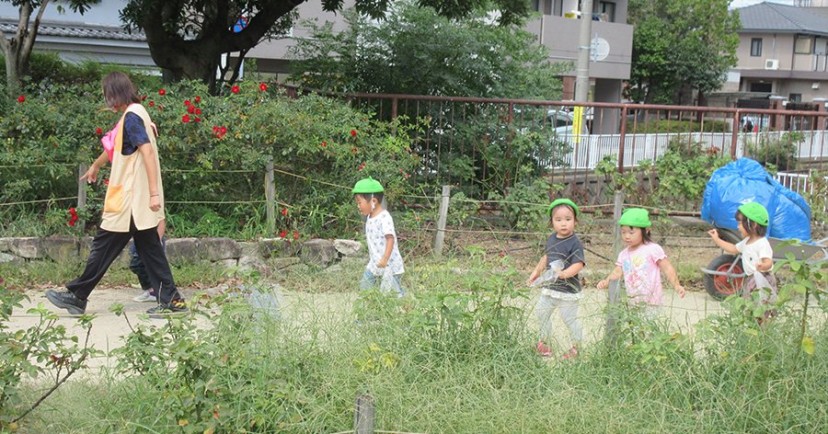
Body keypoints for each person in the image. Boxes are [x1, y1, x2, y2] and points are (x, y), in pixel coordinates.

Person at [45, 71, 186, 318]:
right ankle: (172, 301)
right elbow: (116, 147)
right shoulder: (137, 114)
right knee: (151, 251)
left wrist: (153, 194)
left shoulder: (132, 117)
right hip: (136, 201)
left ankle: (77, 296)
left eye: (106, 96)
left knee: (103, 246)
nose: (106, 102)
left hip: (129, 201)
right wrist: (96, 165)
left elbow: (147, 153)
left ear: (114, 95)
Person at [100, 116, 167, 303]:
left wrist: (158, 237)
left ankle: (163, 294)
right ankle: (156, 291)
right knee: (137, 263)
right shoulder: (127, 136)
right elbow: (110, 148)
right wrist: (96, 165)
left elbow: (160, 216)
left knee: (150, 262)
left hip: (150, 229)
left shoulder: (148, 172)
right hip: (137, 224)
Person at [597, 208, 686, 316]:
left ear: (646, 230)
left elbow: (667, 268)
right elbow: (617, 272)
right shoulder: (623, 254)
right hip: (633, 304)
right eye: (623, 232)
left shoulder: (653, 249)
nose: (627, 236)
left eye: (631, 232)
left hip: (651, 304)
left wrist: (677, 285)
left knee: (650, 331)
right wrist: (606, 282)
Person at [526, 198, 585, 359]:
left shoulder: (575, 243)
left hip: (567, 291)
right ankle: (545, 344)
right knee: (541, 313)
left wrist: (565, 274)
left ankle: (576, 347)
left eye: (568, 219)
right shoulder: (551, 238)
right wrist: (536, 273)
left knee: (569, 319)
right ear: (552, 222)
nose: (563, 223)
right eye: (558, 220)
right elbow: (546, 257)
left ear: (575, 221)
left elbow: (579, 263)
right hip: (550, 287)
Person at [707, 202, 776, 311]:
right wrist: (717, 239)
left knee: (763, 306)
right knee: (750, 305)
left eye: (740, 223)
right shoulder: (746, 242)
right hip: (750, 279)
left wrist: (763, 266)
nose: (738, 227)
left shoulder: (762, 243)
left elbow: (769, 261)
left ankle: (763, 324)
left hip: (762, 279)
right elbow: (733, 248)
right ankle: (754, 323)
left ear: (753, 225)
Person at [352, 177, 405, 297]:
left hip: (389, 265)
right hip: (374, 264)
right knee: (365, 290)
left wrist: (385, 258)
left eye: (360, 203)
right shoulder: (370, 217)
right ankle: (365, 313)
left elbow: (390, 239)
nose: (358, 206)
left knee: (393, 295)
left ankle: (405, 310)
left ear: (373, 201)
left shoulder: (384, 217)